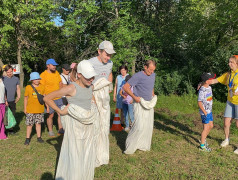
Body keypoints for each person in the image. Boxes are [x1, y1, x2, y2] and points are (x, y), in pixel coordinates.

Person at [44, 60, 98, 180]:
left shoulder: (90, 86)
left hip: (88, 126)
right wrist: (61, 111)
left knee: (86, 151)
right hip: (76, 128)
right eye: (88, 77)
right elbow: (48, 98)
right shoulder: (71, 88)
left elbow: (90, 99)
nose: (91, 79)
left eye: (93, 77)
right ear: (79, 74)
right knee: (76, 153)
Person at [88, 40, 116, 167]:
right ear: (99, 51)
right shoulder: (90, 63)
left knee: (104, 126)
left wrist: (109, 85)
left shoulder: (110, 63)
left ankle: (102, 154)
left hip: (104, 97)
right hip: (92, 97)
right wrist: (92, 97)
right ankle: (91, 155)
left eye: (110, 55)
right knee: (94, 126)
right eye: (106, 54)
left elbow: (110, 74)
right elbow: (84, 81)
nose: (108, 57)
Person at [123, 60, 157, 155]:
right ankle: (130, 146)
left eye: (153, 70)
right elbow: (125, 87)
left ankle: (142, 145)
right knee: (139, 126)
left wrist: (152, 93)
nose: (151, 72)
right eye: (150, 70)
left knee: (147, 126)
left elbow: (151, 85)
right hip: (139, 103)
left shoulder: (153, 75)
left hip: (149, 103)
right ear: (145, 67)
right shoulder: (138, 76)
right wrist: (134, 97)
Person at [207, 55, 238, 154]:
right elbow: (217, 80)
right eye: (229, 62)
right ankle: (226, 139)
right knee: (226, 123)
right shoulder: (228, 74)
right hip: (230, 101)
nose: (229, 64)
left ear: (237, 64)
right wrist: (205, 82)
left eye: (231, 62)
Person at [40, 59, 64, 137]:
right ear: (48, 65)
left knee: (60, 114)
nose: (55, 66)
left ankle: (61, 129)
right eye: (53, 65)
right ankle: (50, 130)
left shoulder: (56, 73)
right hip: (49, 99)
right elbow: (41, 89)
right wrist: (46, 101)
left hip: (58, 97)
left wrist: (61, 92)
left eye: (55, 65)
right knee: (51, 115)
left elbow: (60, 83)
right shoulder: (43, 75)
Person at [23, 72, 45, 145]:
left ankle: (39, 137)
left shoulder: (42, 87)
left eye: (38, 79)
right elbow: (26, 98)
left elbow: (45, 97)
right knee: (29, 125)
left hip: (40, 109)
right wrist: (25, 108)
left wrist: (47, 107)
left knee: (38, 124)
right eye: (35, 79)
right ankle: (27, 138)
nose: (37, 80)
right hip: (30, 110)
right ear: (32, 80)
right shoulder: (28, 87)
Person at [198, 73, 216, 152]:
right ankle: (202, 146)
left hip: (209, 111)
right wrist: (204, 111)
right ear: (207, 81)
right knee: (205, 128)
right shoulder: (202, 90)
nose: (212, 80)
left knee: (211, 126)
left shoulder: (209, 87)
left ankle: (203, 139)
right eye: (211, 79)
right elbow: (199, 102)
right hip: (205, 112)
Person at [3, 64, 21, 135]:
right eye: (8, 72)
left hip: (12, 100)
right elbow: (2, 90)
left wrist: (18, 96)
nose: (10, 73)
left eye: (11, 72)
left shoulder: (16, 79)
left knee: (12, 115)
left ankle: (11, 129)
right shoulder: (3, 79)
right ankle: (3, 130)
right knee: (5, 115)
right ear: (5, 72)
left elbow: (18, 88)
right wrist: (5, 100)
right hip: (4, 100)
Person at [0, 66, 7, 140]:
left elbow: (3, 91)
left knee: (2, 119)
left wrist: (5, 100)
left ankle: (2, 135)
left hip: (2, 102)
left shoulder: (2, 79)